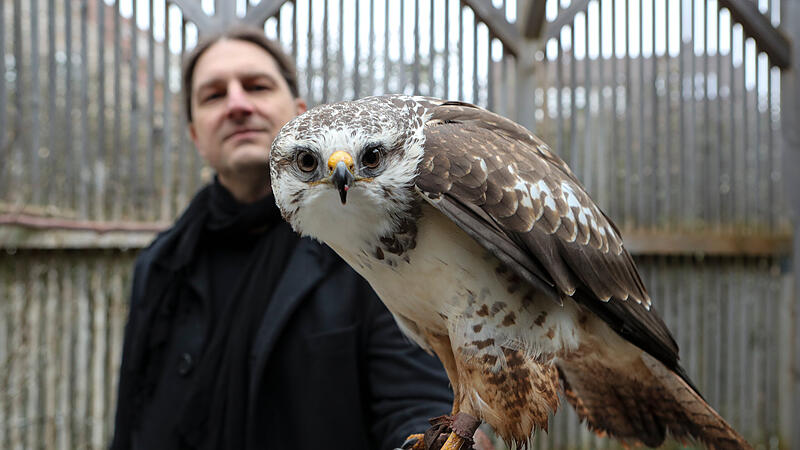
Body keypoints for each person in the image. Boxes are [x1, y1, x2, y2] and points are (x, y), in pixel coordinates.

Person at [110, 26, 454, 450]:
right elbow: (132, 414)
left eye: (256, 86)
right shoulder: (159, 264)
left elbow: (416, 406)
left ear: (299, 113)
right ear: (195, 134)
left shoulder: (372, 249)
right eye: (214, 95)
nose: (237, 104)